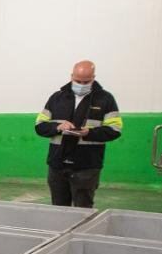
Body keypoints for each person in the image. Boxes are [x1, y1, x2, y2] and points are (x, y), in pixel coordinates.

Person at [34, 60, 123, 208]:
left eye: (86, 82)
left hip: (86, 166)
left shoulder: (105, 99)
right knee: (58, 209)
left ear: (93, 77)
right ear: (71, 76)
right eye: (78, 81)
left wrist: (89, 132)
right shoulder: (57, 98)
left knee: (83, 209)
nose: (81, 85)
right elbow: (40, 126)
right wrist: (57, 127)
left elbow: (115, 130)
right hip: (57, 165)